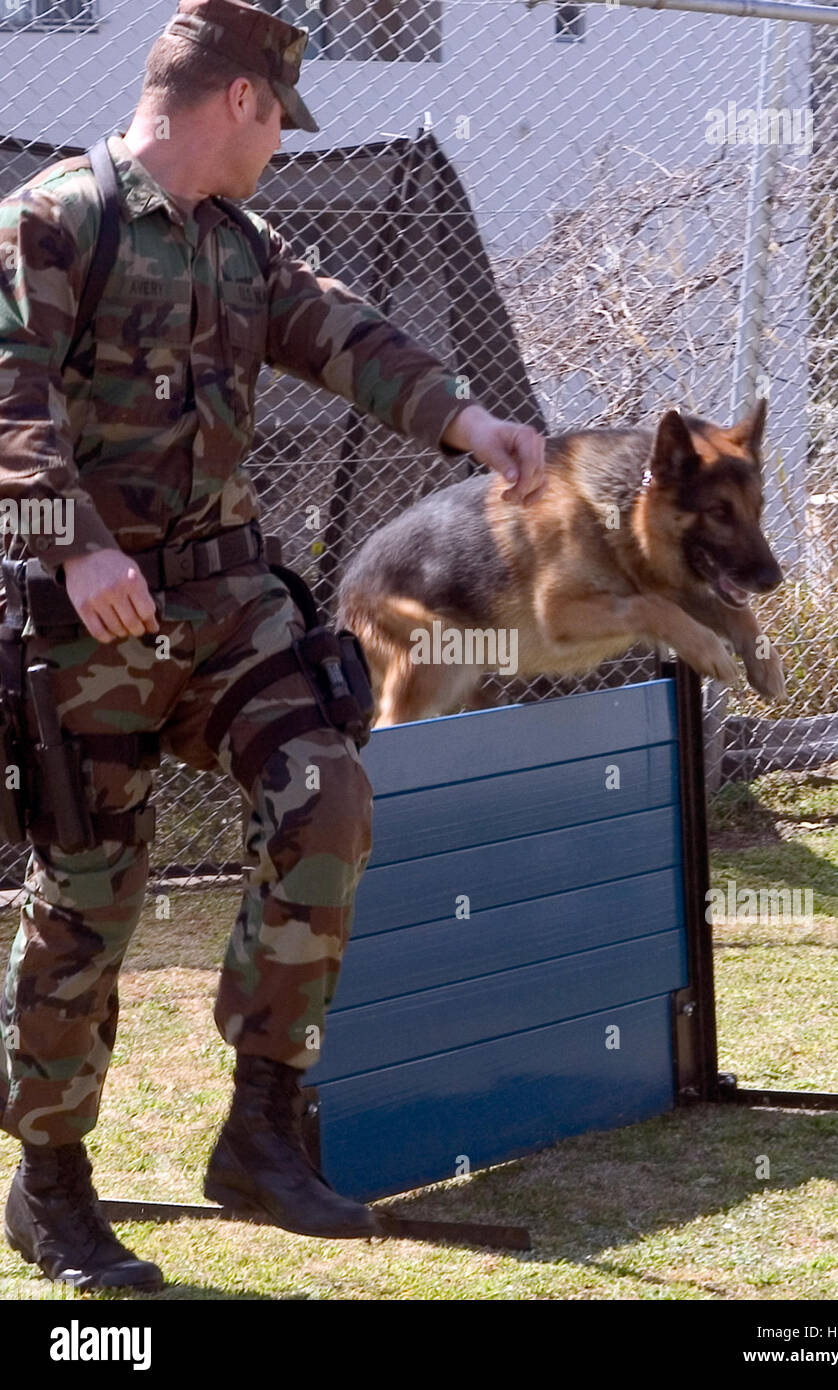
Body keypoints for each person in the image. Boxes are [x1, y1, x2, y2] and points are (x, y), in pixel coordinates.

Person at [0, 0, 546, 1292]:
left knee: (327, 787)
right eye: (278, 123)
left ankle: (262, 1125)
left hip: (228, 606)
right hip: (90, 623)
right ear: (239, 99)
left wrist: (475, 427)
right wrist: (76, 542)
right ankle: (52, 1185)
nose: (283, 149)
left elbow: (347, 336)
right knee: (90, 895)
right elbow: (5, 409)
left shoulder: (243, 247)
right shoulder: (54, 220)